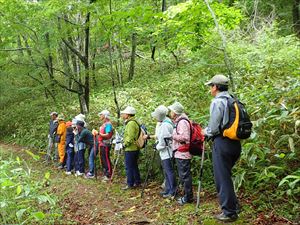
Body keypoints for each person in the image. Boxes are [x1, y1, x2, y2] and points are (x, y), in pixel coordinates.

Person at [204, 74, 241, 222]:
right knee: (227, 176)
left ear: (216, 87)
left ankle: (229, 212)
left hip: (222, 143)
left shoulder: (217, 102)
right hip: (235, 143)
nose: (210, 89)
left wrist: (204, 131)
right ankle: (234, 206)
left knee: (222, 178)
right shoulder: (233, 100)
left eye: (211, 86)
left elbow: (213, 128)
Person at [168, 101, 193, 205]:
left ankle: (188, 197)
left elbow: (185, 137)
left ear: (175, 112)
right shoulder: (179, 121)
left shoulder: (182, 122)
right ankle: (186, 196)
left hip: (183, 153)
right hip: (181, 152)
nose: (170, 112)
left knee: (185, 176)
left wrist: (172, 136)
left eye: (171, 111)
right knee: (183, 175)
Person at [150, 105, 176, 198]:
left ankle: (172, 191)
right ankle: (168, 189)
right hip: (167, 151)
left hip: (167, 152)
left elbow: (163, 141)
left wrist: (157, 147)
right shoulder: (167, 122)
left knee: (169, 171)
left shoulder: (165, 125)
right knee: (167, 171)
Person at [121, 106, 141, 190]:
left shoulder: (131, 123)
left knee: (129, 166)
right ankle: (137, 181)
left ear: (128, 115)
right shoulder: (133, 122)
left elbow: (130, 136)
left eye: (124, 113)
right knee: (133, 166)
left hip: (130, 148)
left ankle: (130, 184)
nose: (122, 115)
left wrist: (124, 144)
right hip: (134, 148)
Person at [91, 110, 114, 181]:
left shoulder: (108, 124)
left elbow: (108, 135)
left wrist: (99, 134)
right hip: (101, 144)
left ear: (105, 115)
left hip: (106, 144)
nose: (100, 116)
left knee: (106, 159)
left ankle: (108, 174)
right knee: (103, 159)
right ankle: (105, 174)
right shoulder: (104, 124)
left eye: (101, 115)